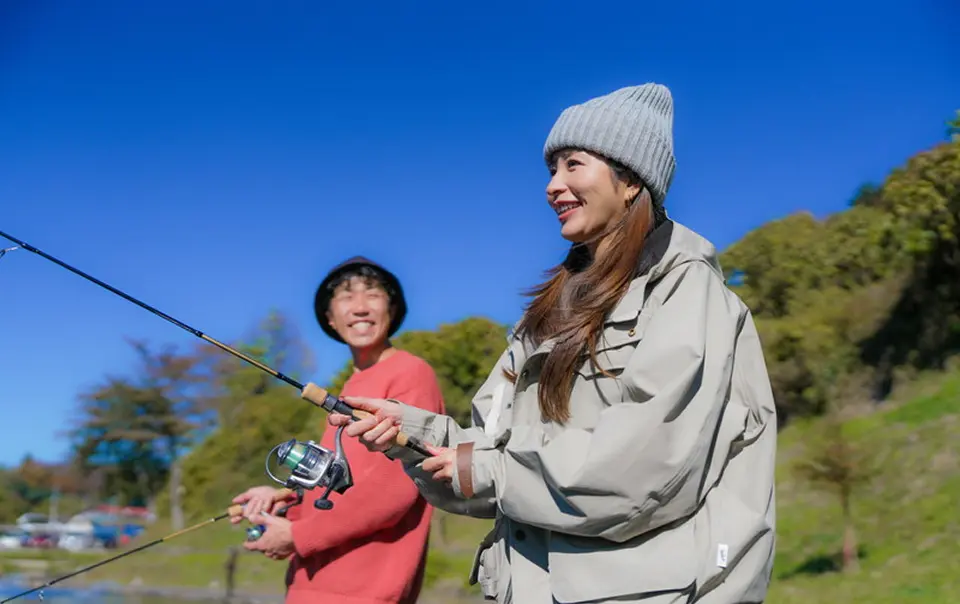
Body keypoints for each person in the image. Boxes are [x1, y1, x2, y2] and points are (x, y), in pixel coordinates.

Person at [328, 84, 778, 604]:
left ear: (630, 180)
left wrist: (486, 469)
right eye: (550, 170)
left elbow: (641, 468)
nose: (552, 186)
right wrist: (409, 433)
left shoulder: (688, 292)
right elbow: (493, 448)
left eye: (573, 165)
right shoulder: (546, 313)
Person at [230, 256, 446, 604]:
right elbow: (340, 484)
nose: (360, 307)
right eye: (346, 297)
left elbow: (393, 491)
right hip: (312, 585)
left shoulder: (410, 373)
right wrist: (284, 502)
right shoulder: (351, 385)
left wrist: (298, 536)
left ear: (393, 308)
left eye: (373, 294)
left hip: (364, 591)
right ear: (330, 318)